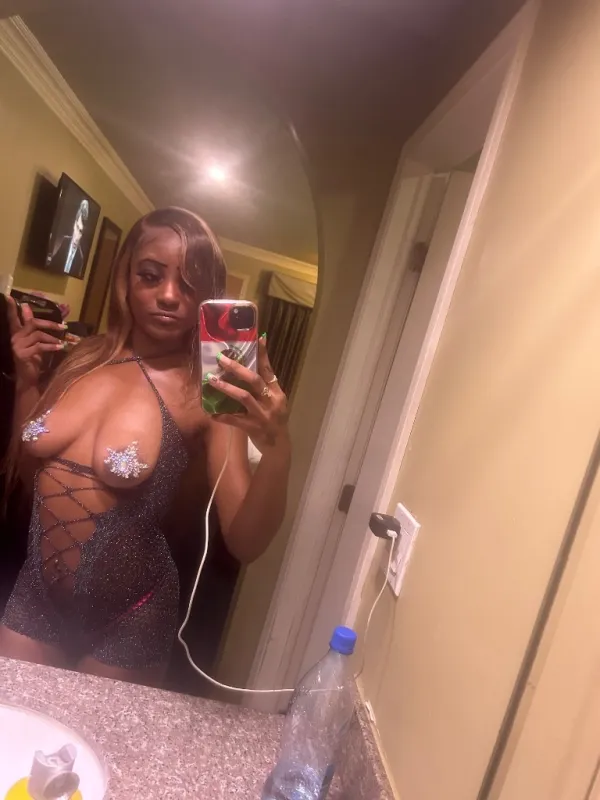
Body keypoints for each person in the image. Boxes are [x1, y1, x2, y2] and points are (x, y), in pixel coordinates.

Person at [0, 207, 290, 685]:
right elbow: (31, 474)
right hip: (36, 597)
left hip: (129, 622)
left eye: (190, 285)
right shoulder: (83, 357)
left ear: (208, 297)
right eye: (151, 276)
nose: (169, 296)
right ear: (126, 278)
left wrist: (278, 449)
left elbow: (246, 541)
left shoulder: (206, 392)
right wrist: (28, 381)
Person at [48, 199, 89, 276]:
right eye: (77, 227)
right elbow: (52, 265)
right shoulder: (65, 241)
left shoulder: (80, 258)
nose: (77, 235)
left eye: (80, 231)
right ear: (74, 224)